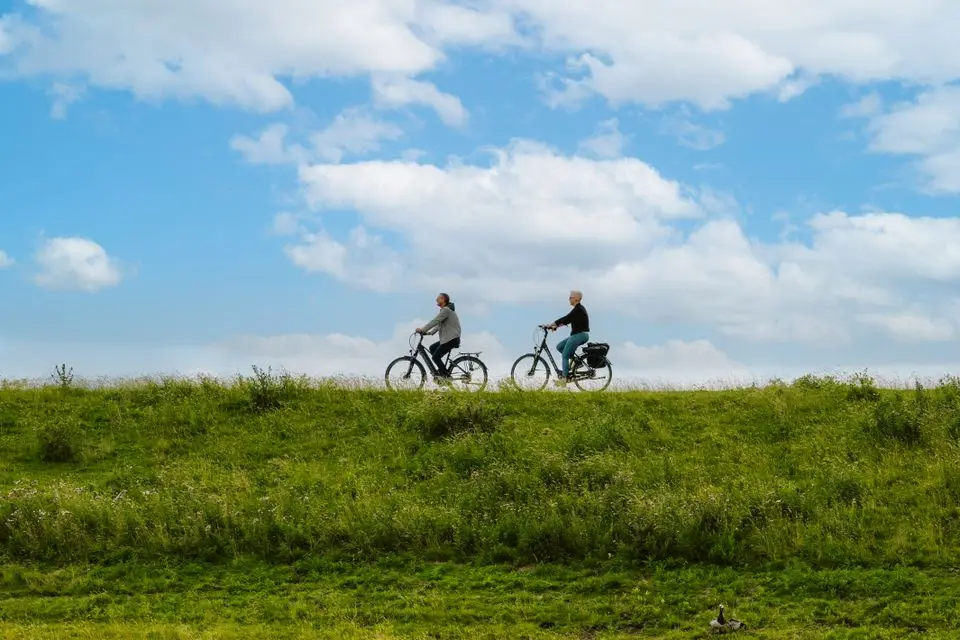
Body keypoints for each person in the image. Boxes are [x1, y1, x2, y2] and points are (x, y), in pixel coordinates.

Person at [545, 289, 589, 385]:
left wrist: (551, 324)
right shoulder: (577, 310)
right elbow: (567, 321)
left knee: (565, 355)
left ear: (577, 298)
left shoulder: (578, 309)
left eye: (571, 297)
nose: (569, 299)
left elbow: (566, 318)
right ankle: (577, 362)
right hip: (578, 335)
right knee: (560, 347)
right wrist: (555, 326)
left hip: (580, 335)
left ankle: (564, 380)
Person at [416, 292, 461, 380]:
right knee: (432, 348)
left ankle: (446, 376)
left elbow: (435, 321)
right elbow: (438, 326)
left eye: (438, 298)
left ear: (443, 300)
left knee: (435, 357)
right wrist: (427, 333)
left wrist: (423, 329)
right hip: (448, 339)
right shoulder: (446, 310)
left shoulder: (446, 310)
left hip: (451, 339)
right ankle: (442, 370)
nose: (436, 300)